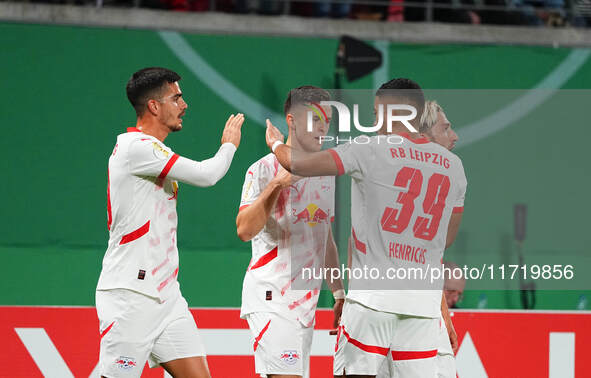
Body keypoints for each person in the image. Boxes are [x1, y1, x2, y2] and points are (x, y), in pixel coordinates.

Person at [265, 78, 467, 378]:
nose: (374, 121)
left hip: (371, 301)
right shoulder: (454, 166)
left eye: (375, 113)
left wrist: (276, 143)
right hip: (421, 308)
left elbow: (298, 163)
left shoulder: (369, 148)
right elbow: (446, 239)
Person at [96, 67, 245, 378]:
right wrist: (229, 144)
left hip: (167, 297)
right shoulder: (136, 147)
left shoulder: (154, 151)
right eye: (176, 97)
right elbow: (207, 175)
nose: (184, 104)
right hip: (130, 296)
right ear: (154, 106)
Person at [236, 86, 345, 378]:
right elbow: (244, 230)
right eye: (315, 119)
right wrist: (276, 185)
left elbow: (326, 239)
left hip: (305, 306)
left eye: (327, 121)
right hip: (271, 296)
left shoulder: (325, 173)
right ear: (292, 120)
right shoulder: (261, 169)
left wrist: (338, 293)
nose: (323, 127)